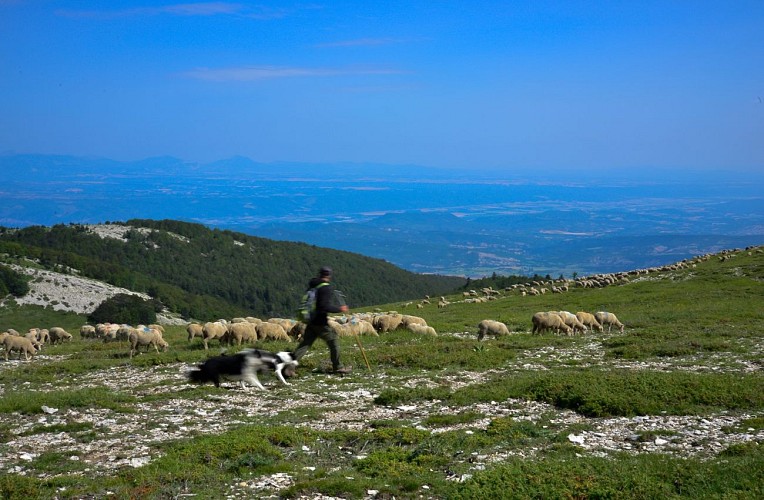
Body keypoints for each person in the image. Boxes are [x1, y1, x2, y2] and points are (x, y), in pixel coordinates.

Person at [292, 266, 351, 374]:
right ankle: (338, 367)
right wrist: (339, 309)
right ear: (329, 275)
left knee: (305, 344)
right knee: (334, 342)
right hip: (320, 322)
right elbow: (324, 306)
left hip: (311, 320)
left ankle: (288, 367)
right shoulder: (325, 287)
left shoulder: (313, 286)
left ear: (320, 274)